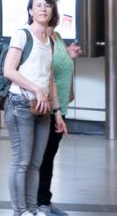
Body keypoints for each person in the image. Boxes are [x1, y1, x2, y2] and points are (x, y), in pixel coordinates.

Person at [3, 0, 67, 216]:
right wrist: (36, 90)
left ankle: (32, 209)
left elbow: (50, 79)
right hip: (20, 105)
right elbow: (9, 70)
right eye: (38, 6)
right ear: (30, 11)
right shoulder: (22, 35)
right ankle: (20, 211)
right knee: (21, 161)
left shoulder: (49, 40)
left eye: (47, 6)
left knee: (35, 163)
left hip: (44, 108)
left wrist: (57, 111)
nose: (43, 9)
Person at [38, 14, 82, 216]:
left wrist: (69, 55)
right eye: (43, 6)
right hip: (46, 108)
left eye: (52, 8)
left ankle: (44, 201)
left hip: (59, 107)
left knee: (48, 157)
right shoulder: (40, 37)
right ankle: (38, 204)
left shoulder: (56, 35)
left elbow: (59, 63)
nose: (49, 12)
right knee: (41, 158)